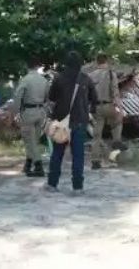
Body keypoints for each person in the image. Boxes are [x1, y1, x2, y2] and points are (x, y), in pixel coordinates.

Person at [46, 51, 97, 194]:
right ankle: (77, 187)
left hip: (62, 122)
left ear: (65, 63)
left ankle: (52, 184)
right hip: (80, 121)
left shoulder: (59, 78)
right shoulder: (86, 79)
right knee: (78, 155)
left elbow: (52, 97)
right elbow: (95, 99)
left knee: (57, 153)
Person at [10, 57, 50, 177]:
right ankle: (28, 164)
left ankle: (38, 166)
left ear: (27, 67)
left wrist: (15, 112)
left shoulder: (25, 80)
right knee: (34, 140)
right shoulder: (44, 80)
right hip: (41, 111)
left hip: (28, 112)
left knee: (29, 140)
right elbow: (48, 97)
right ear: (38, 66)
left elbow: (18, 96)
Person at [88, 52, 125, 170]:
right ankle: (116, 141)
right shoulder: (111, 74)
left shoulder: (90, 76)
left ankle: (95, 161)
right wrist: (120, 109)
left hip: (95, 107)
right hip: (108, 105)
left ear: (96, 62)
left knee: (97, 135)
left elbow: (87, 94)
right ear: (107, 61)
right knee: (117, 121)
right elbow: (115, 93)